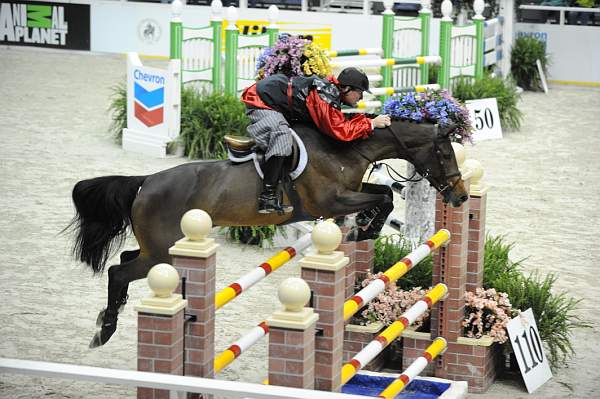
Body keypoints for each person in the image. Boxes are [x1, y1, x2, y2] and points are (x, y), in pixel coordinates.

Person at [241, 67, 392, 214]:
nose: (361, 97)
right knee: (282, 137)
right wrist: (371, 123)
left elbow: (338, 122)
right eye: (359, 92)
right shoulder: (324, 96)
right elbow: (340, 131)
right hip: (262, 101)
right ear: (346, 89)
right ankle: (267, 197)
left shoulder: (331, 93)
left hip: (276, 102)